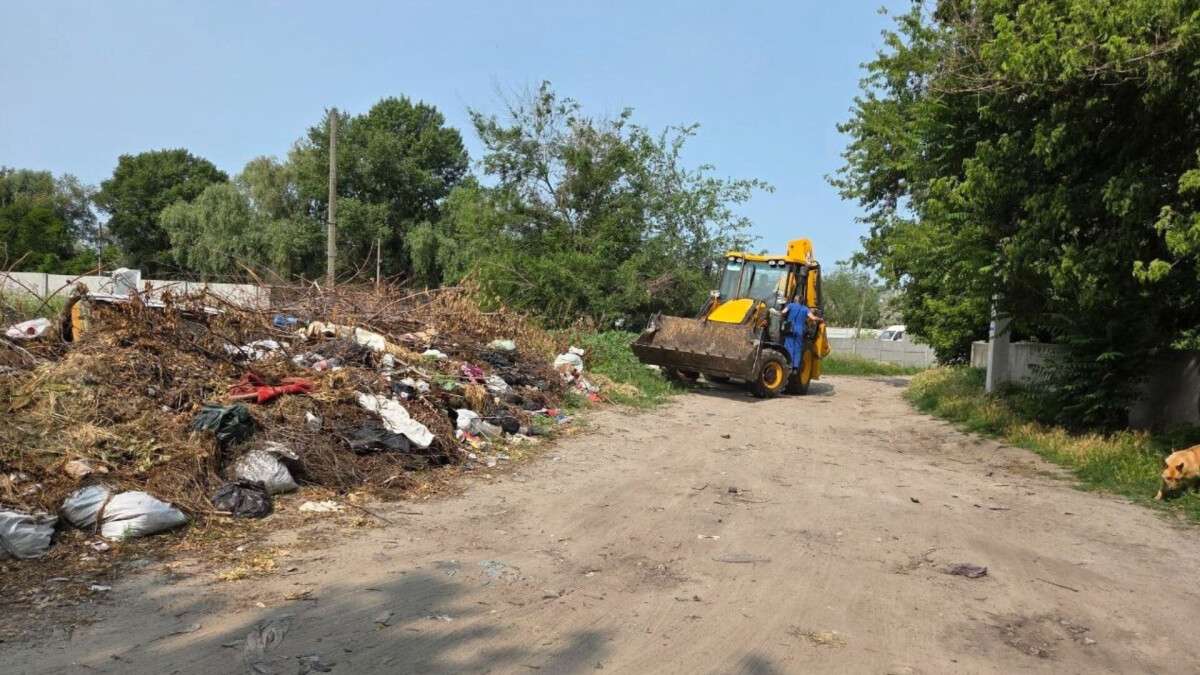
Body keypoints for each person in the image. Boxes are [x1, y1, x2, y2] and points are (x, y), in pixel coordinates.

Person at [781, 296, 818, 370]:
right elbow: (813, 318)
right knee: (797, 348)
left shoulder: (791, 305)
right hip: (800, 330)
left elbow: (783, 312)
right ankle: (795, 367)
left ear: (796, 300)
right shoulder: (805, 309)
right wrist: (820, 319)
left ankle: (788, 364)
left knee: (789, 346)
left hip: (790, 329)